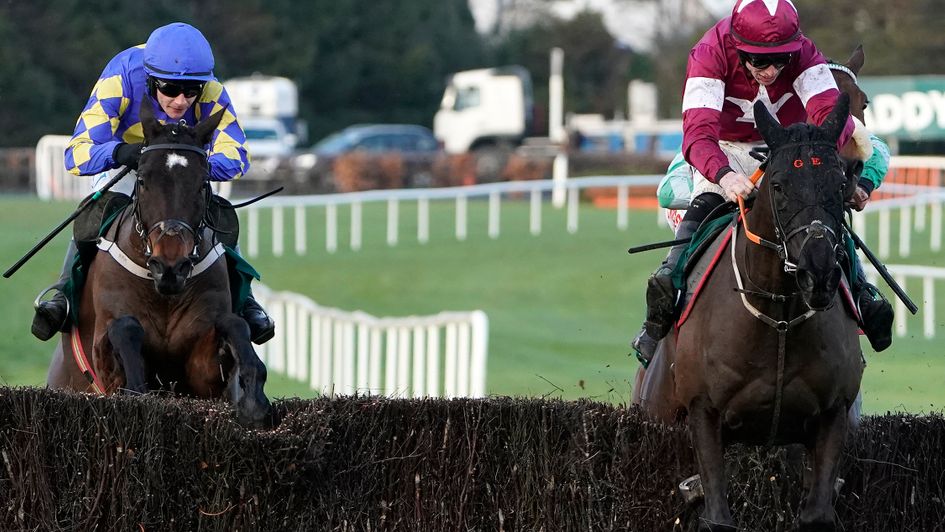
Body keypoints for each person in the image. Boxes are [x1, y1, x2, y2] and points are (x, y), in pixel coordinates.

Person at [631, 0, 894, 365]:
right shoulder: (709, 52)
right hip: (724, 147)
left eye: (780, 60)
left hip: (789, 145)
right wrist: (724, 175)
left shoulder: (805, 52)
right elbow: (698, 136)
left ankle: (863, 294)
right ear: (738, 48)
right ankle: (663, 297)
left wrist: (821, 161)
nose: (770, 70)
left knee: (820, 211)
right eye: (758, 61)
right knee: (706, 203)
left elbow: (830, 116)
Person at [31, 22, 275, 345]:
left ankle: (245, 302)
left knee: (222, 215)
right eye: (170, 89)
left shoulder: (209, 88)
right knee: (93, 211)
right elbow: (76, 153)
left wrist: (200, 167)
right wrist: (119, 151)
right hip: (130, 166)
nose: (181, 101)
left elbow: (237, 154)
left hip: (182, 173)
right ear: (149, 79)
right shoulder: (120, 77)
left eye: (191, 92)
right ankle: (63, 294)